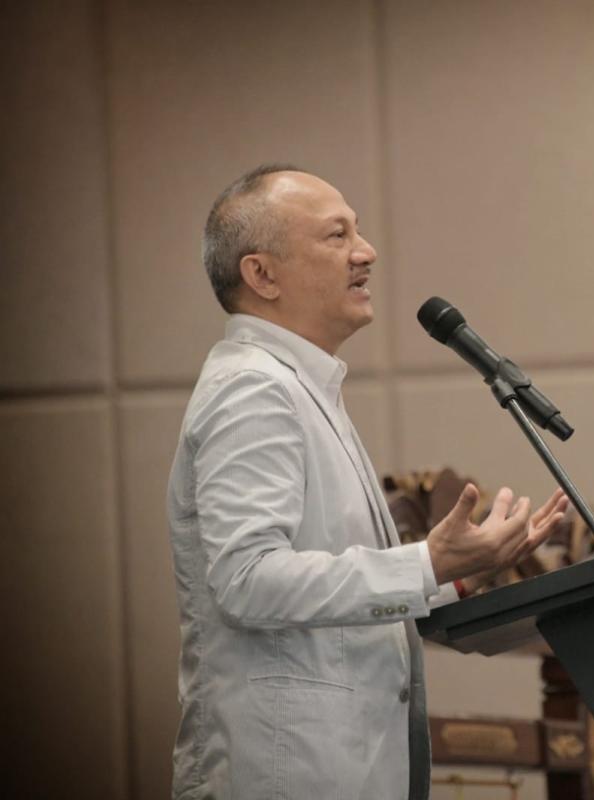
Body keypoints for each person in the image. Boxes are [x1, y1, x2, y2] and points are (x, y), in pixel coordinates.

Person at [166, 164, 568, 800]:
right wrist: (424, 563)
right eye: (337, 236)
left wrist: (456, 572)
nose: (367, 251)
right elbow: (247, 580)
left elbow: (328, 587)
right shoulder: (253, 389)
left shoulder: (298, 385)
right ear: (262, 275)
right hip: (284, 776)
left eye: (358, 231)